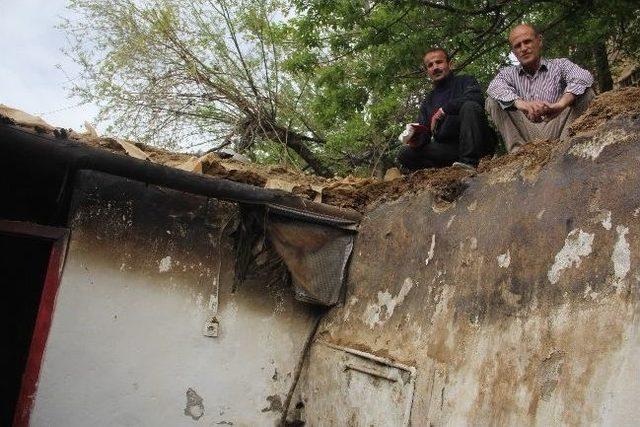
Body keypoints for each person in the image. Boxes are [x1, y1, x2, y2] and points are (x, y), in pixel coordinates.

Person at [486, 24, 595, 153]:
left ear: (539, 41)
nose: (523, 48)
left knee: (586, 93)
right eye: (518, 46)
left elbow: (583, 77)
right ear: (514, 52)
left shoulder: (560, 65)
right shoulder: (507, 74)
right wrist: (523, 105)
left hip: (560, 126)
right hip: (527, 132)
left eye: (527, 42)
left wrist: (560, 105)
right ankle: (518, 153)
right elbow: (494, 87)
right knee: (493, 101)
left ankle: (570, 146)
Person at [397, 48, 495, 172]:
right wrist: (416, 139)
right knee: (404, 153)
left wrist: (444, 110)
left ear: (450, 64)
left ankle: (469, 164)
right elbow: (425, 131)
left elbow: (476, 99)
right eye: (430, 65)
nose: (435, 67)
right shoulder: (428, 101)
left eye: (439, 62)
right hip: (449, 150)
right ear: (428, 71)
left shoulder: (466, 81)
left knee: (469, 106)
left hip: (478, 144)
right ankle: (448, 169)